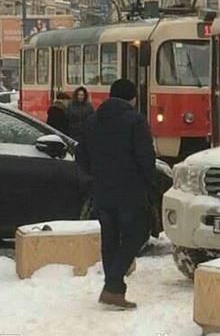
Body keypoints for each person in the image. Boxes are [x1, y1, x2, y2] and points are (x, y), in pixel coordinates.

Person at [76, 79, 156, 310]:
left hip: (102, 190)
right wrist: (148, 182)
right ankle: (112, 285)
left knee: (110, 237)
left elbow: (81, 154)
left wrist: (95, 177)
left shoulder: (93, 121)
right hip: (130, 190)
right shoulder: (135, 121)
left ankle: (113, 288)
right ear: (131, 98)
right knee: (138, 233)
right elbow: (145, 157)